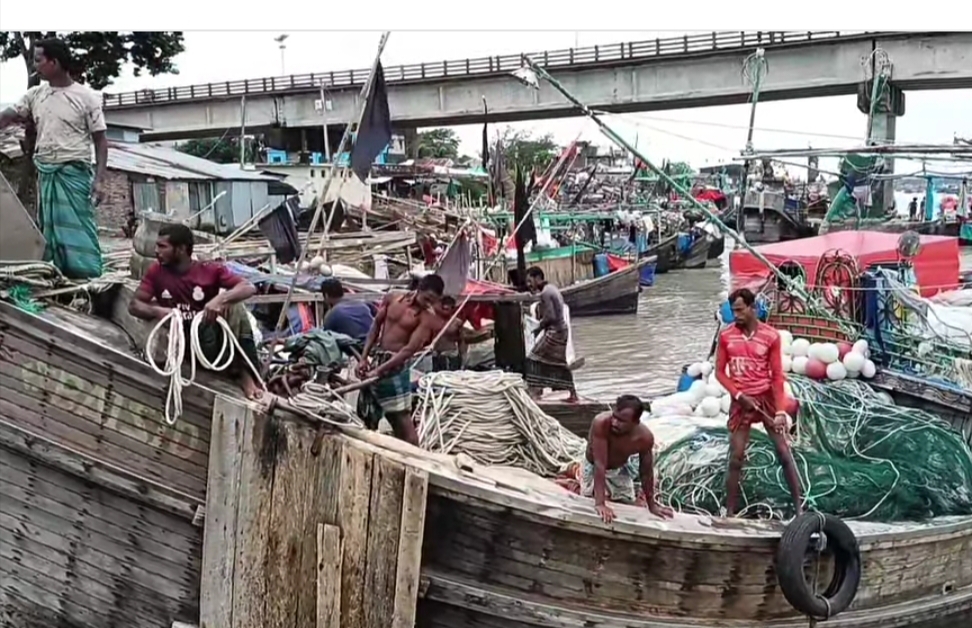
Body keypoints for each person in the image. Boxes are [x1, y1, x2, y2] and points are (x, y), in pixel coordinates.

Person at [0, 38, 107, 279]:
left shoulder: (86, 97)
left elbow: (101, 140)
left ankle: (87, 277)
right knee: (49, 226)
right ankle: (56, 275)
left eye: (38, 60)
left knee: (79, 226)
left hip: (73, 173)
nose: (35, 65)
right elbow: (6, 116)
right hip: (46, 172)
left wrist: (100, 180)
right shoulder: (35, 95)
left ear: (55, 62)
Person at [129, 224, 263, 400]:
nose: (156, 251)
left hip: (209, 342)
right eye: (157, 245)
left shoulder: (209, 270)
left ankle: (247, 375)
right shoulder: (157, 272)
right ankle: (237, 373)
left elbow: (248, 287)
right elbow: (134, 305)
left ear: (181, 249)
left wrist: (219, 300)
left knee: (236, 306)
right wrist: (157, 311)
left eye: (162, 246)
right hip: (181, 345)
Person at [715, 288, 803, 517]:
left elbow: (776, 376)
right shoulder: (726, 336)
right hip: (741, 401)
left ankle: (800, 509)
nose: (736, 316)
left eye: (741, 310)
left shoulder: (771, 336)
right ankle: (730, 512)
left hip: (766, 399)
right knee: (736, 457)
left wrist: (781, 411)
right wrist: (738, 395)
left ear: (753, 308)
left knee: (784, 452)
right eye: (733, 311)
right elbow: (719, 373)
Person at [357, 274, 444, 445]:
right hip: (378, 359)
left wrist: (380, 371)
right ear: (419, 289)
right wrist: (363, 358)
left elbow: (409, 350)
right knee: (368, 415)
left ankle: (414, 459)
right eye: (427, 298)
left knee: (401, 418)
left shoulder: (426, 317)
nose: (429, 304)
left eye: (433, 301)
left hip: (395, 368)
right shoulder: (393, 297)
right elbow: (375, 326)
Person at [585, 395, 674, 523]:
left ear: (635, 422)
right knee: (589, 500)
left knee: (627, 504)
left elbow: (646, 472)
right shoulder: (601, 423)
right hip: (594, 466)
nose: (614, 423)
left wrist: (652, 505)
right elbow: (599, 464)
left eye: (621, 421)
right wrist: (600, 503)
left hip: (619, 469)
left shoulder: (645, 438)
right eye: (614, 417)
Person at [524, 267, 578, 402]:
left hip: (555, 331)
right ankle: (573, 394)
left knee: (533, 359)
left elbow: (550, 316)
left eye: (530, 281)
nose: (529, 285)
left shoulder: (545, 293)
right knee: (559, 363)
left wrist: (538, 327)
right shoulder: (552, 288)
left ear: (538, 278)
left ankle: (535, 393)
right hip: (560, 330)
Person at [320, 279, 374, 343]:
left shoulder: (333, 313)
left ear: (326, 295)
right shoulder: (362, 305)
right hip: (371, 343)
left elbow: (325, 336)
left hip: (355, 347)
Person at [428, 296, 467, 371]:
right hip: (436, 355)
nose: (445, 311)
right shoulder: (434, 321)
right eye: (443, 309)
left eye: (447, 309)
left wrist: (463, 358)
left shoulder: (457, 322)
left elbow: (462, 340)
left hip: (451, 354)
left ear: (452, 309)